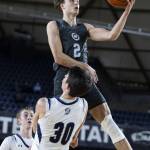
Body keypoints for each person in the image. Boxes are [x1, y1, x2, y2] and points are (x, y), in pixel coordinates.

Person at [46, 0, 135, 149]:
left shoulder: (84, 28)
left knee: (109, 123)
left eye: (78, 0)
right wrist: (84, 65)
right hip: (65, 81)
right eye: (72, 0)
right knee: (62, 137)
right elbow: (58, 57)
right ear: (62, 5)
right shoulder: (54, 25)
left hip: (85, 81)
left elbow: (111, 35)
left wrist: (127, 11)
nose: (77, 2)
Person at [31, 66, 92, 150]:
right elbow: (74, 141)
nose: (63, 77)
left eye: (65, 77)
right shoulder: (84, 105)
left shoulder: (44, 104)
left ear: (67, 87)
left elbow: (34, 129)